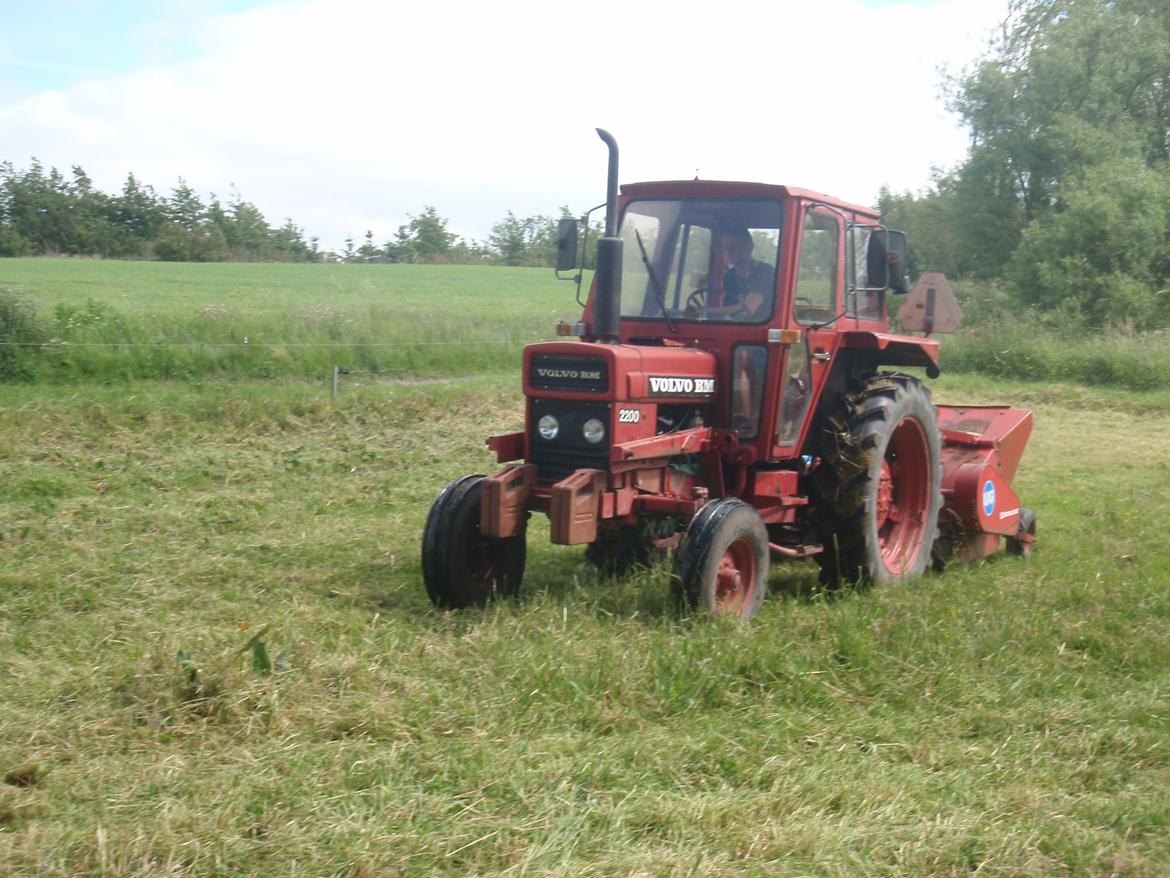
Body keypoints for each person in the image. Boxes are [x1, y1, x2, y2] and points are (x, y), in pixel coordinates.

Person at [711, 226, 774, 319]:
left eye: (735, 246)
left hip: (760, 328)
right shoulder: (730, 275)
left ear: (750, 247)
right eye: (726, 248)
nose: (729, 251)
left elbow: (747, 310)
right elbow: (728, 307)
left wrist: (705, 311)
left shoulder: (764, 271)